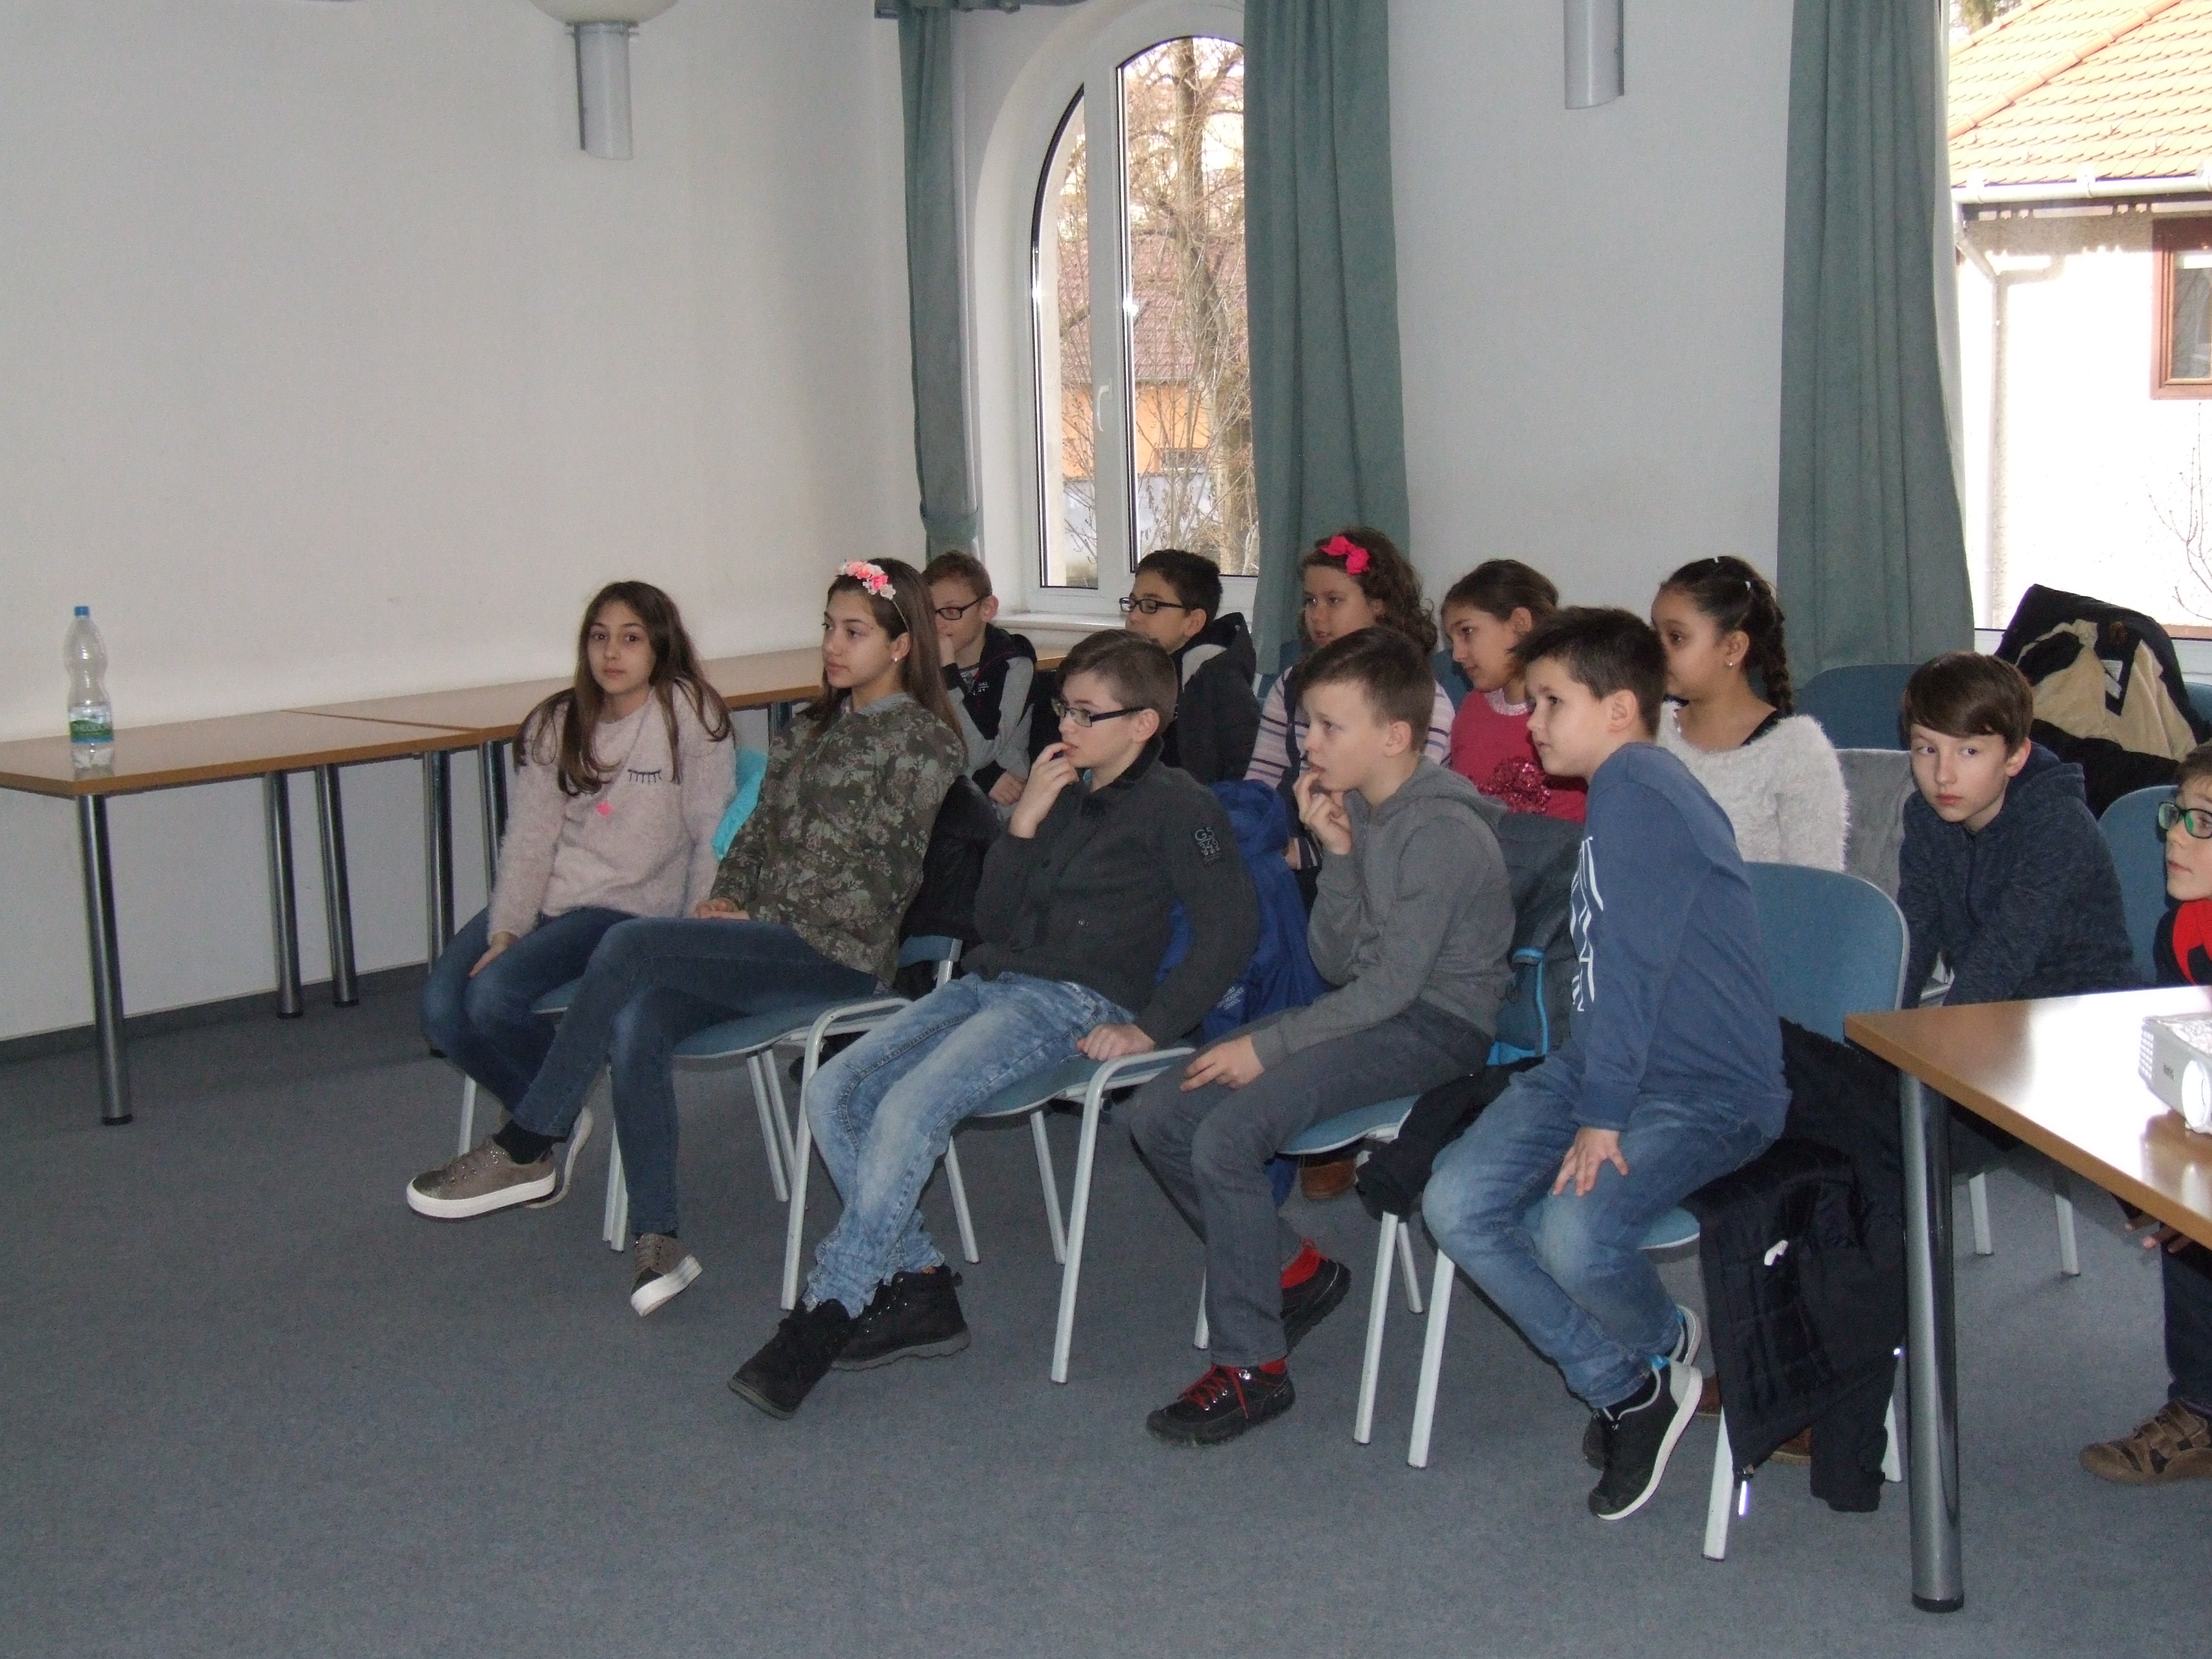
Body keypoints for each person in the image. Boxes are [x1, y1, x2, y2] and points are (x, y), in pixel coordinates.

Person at [405, 560, 966, 1319]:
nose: (833, 646)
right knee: (638, 1020)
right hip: (764, 939)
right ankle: (659, 1236)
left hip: (835, 953)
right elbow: (755, 835)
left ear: (900, 646)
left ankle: (532, 1139)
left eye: (854, 632)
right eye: (828, 628)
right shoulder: (808, 728)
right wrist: (728, 894)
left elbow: (878, 869)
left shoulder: (923, 742)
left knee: (629, 946)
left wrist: (758, 913)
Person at [726, 631, 1258, 1419]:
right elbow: (992, 920)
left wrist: (1151, 1028)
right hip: (992, 981)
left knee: (910, 1107)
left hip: (1074, 1001)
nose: (1064, 726)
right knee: (834, 1089)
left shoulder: (1181, 806)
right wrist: (1023, 825)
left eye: (1085, 714)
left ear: (1143, 724)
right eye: (1062, 708)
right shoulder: (1061, 789)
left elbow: (1231, 929)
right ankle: (919, 1282)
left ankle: (829, 1308)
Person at [1422, 608, 1788, 1521]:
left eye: (1552, 702)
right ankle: (1632, 1381)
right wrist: (1594, 1089)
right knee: (1455, 1203)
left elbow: (1628, 971)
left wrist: (1603, 1116)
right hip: (1602, 1063)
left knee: (1573, 1237)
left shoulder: (1639, 792)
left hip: (1705, 1090)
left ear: (1621, 708)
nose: (1533, 723)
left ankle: (1652, 1348)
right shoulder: (1622, 789)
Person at [1125, 628, 1513, 1446]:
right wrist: (1336, 854)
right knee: (1157, 1115)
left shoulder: (1441, 833)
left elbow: (1392, 989)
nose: (1308, 743)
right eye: (1308, 724)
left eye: (1330, 727)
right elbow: (1336, 963)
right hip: (1372, 1011)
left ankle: (1251, 1369)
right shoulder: (1364, 810)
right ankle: (1295, 1271)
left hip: (1438, 1027)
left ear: (1394, 736)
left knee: (1227, 1136)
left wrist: (1267, 1048)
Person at [419, 581, 734, 1183]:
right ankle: (549, 1112)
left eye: (631, 639)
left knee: (492, 998)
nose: (611, 653)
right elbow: (529, 840)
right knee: (440, 1010)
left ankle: (538, 1123)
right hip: (552, 898)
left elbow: (710, 831)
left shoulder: (689, 714)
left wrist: (697, 923)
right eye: (599, 637)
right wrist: (509, 929)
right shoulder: (559, 721)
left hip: (627, 910)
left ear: (660, 646)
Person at [2082, 740, 2212, 1483]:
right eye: (2176, 815)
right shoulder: (2183, 931)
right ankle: (2200, 1409)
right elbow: (2179, 1061)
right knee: (2174, 1192)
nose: (2174, 838)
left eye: (2204, 823)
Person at [1896, 651, 2137, 1008]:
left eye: (1969, 752)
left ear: (2015, 757)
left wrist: (1940, 1036)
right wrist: (1875, 1028)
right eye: (1927, 749)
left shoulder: (2058, 826)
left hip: (2084, 1014)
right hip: (1998, 1014)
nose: (1943, 775)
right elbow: (1915, 935)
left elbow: (2005, 955)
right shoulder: (1926, 818)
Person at [1651, 556, 1845, 870]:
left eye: (1676, 638)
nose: (1656, 652)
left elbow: (1817, 883)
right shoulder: (1651, 729)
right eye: (1655, 634)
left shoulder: (1797, 749)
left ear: (1733, 648)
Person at [1440, 559, 1585, 822]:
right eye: (1453, 642)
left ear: (1520, 623)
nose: (1458, 655)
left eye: (1467, 632)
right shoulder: (1472, 710)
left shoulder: (1569, 713)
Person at [1122, 547, 1261, 784]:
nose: (1134, 617)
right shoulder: (1133, 666)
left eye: (1151, 605)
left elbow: (1246, 774)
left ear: (1194, 623)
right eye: (1133, 603)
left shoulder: (1219, 677)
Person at [925, 550, 1036, 810]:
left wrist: (948, 674)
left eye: (951, 611)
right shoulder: (918, 663)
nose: (937, 624)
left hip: (999, 808)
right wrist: (982, 775)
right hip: (941, 795)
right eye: (928, 612)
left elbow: (981, 751)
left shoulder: (1014, 665)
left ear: (987, 609)